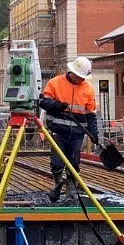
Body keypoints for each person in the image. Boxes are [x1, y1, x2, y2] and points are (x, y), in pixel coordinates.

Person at [40, 56, 98, 202]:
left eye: (82, 77)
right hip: (58, 131)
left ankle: (71, 193)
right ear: (72, 72)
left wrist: (94, 132)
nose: (80, 79)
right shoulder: (55, 83)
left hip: (77, 134)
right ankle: (58, 184)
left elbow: (90, 114)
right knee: (57, 163)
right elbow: (43, 102)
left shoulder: (88, 89)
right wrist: (57, 106)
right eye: (79, 76)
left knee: (74, 164)